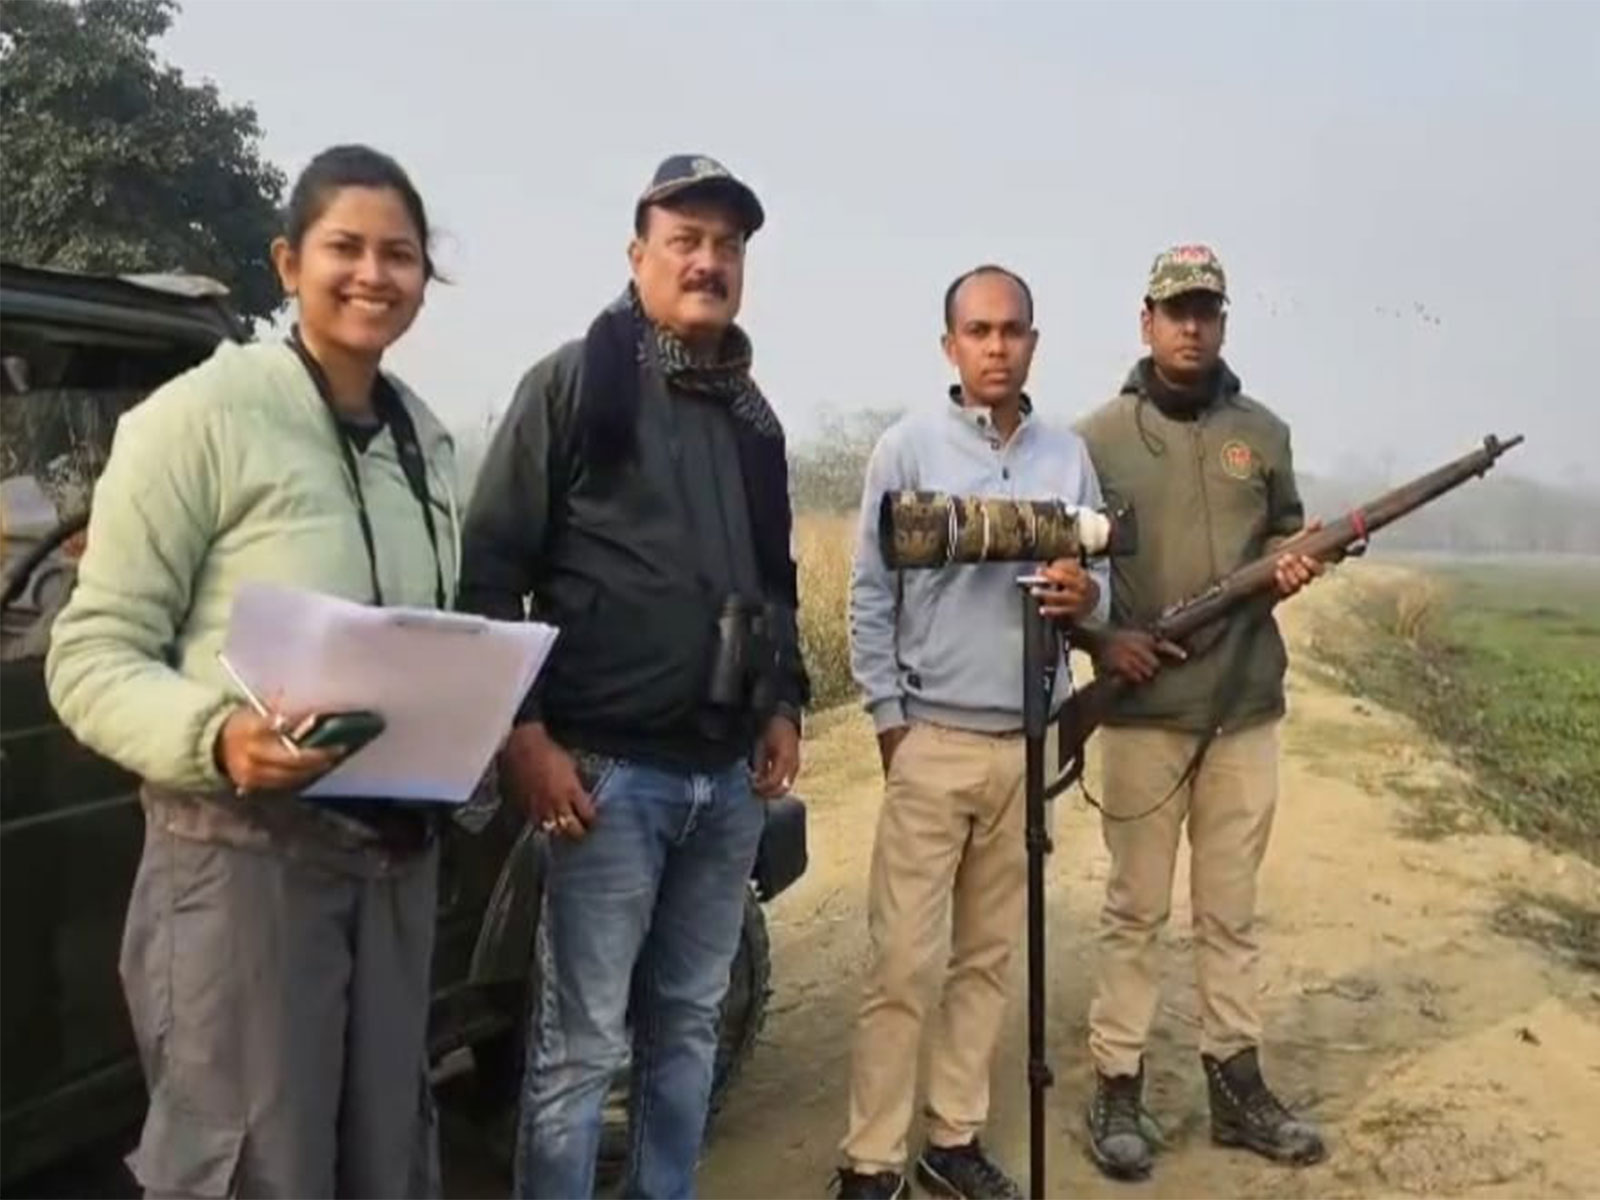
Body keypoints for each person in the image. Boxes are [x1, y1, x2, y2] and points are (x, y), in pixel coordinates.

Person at [45, 145, 457, 1198]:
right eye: (345, 248)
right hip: (243, 866)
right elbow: (91, 654)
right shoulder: (201, 419)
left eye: (400, 255)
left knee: (386, 1160)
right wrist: (217, 737)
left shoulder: (424, 440)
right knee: (254, 1168)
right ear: (287, 262)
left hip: (393, 862)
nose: (374, 275)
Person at [457, 153, 809, 1200]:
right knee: (576, 1049)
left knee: (690, 1025)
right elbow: (489, 568)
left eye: (728, 246)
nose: (709, 262)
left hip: (727, 780)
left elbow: (776, 578)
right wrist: (523, 736)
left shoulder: (752, 418)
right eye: (686, 241)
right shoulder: (575, 383)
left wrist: (783, 699)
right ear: (637, 255)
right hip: (605, 778)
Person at [834, 266, 1109, 1200]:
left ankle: (952, 1141)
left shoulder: (1066, 458)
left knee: (988, 960)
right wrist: (889, 724)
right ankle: (871, 1160)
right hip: (933, 739)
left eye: (1013, 331)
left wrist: (1085, 595)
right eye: (979, 331)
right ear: (949, 344)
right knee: (902, 961)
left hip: (1025, 741)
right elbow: (870, 594)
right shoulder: (906, 450)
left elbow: (1095, 586)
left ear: (1034, 340)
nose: (997, 347)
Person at [1072, 244, 1326, 1181]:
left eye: (1206, 310)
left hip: (1245, 709)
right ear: (1146, 320)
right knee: (1134, 910)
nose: (1190, 326)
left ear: (1224, 321)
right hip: (1143, 714)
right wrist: (1103, 645)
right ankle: (1118, 1086)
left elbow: (1287, 534)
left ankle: (1237, 1087)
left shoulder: (1264, 432)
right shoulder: (1093, 440)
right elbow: (1069, 579)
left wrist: (1295, 561)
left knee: (1231, 914)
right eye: (1175, 310)